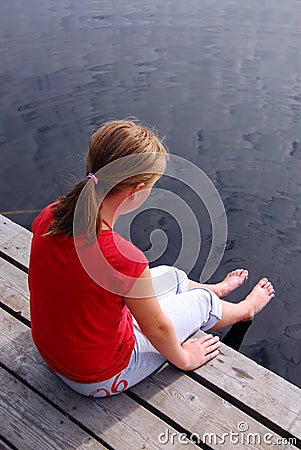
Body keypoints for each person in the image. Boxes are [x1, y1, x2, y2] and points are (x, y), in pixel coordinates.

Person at [28, 119, 275, 397]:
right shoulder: (124, 259)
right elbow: (156, 329)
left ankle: (216, 290)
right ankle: (244, 308)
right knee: (201, 303)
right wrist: (185, 358)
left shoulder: (51, 215)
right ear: (137, 190)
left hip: (53, 352)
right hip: (96, 376)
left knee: (172, 275)